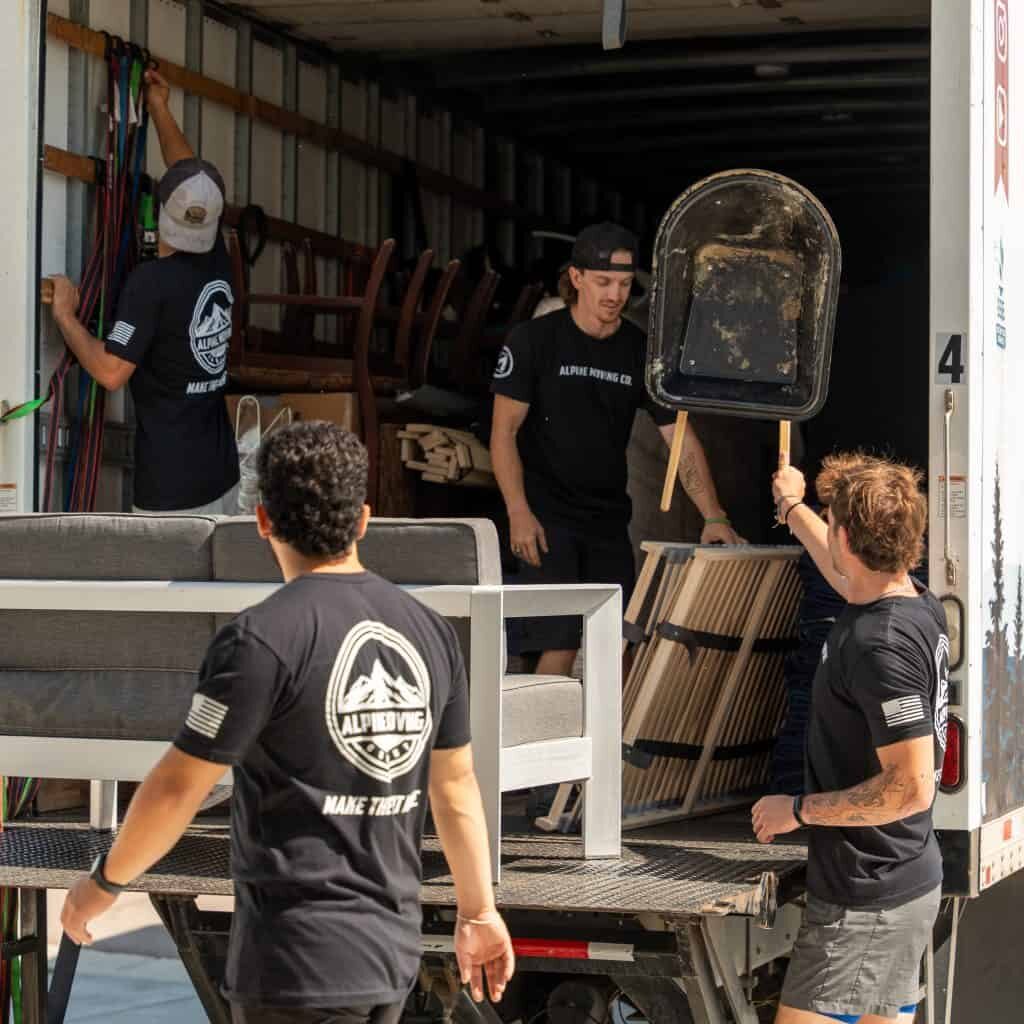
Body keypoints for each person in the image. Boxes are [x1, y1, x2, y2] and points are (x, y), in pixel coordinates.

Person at [59, 422, 515, 1023]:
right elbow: (455, 788)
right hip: (389, 960)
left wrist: (103, 884)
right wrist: (478, 911)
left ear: (264, 521)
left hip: (294, 963)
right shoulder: (428, 632)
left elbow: (176, 789)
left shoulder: (258, 640)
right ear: (363, 521)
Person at [490, 221, 741, 677]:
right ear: (577, 278)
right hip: (547, 521)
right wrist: (517, 511)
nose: (614, 294)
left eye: (624, 284)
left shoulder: (638, 353)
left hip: (608, 522)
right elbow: (503, 432)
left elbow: (679, 438)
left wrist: (713, 514)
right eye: (603, 282)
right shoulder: (534, 341)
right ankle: (549, 746)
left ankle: (611, 749)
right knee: (559, 647)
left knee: (619, 646)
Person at [753, 453, 948, 1024]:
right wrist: (792, 508)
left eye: (831, 520)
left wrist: (797, 810)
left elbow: (911, 789)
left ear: (847, 537)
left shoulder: (878, 645)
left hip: (868, 901)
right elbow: (839, 570)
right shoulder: (909, 597)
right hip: (895, 885)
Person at [48, 69, 239, 514]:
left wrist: (65, 317)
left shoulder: (150, 283)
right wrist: (158, 108)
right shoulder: (218, 255)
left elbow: (111, 372)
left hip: (170, 494)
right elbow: (190, 178)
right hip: (220, 475)